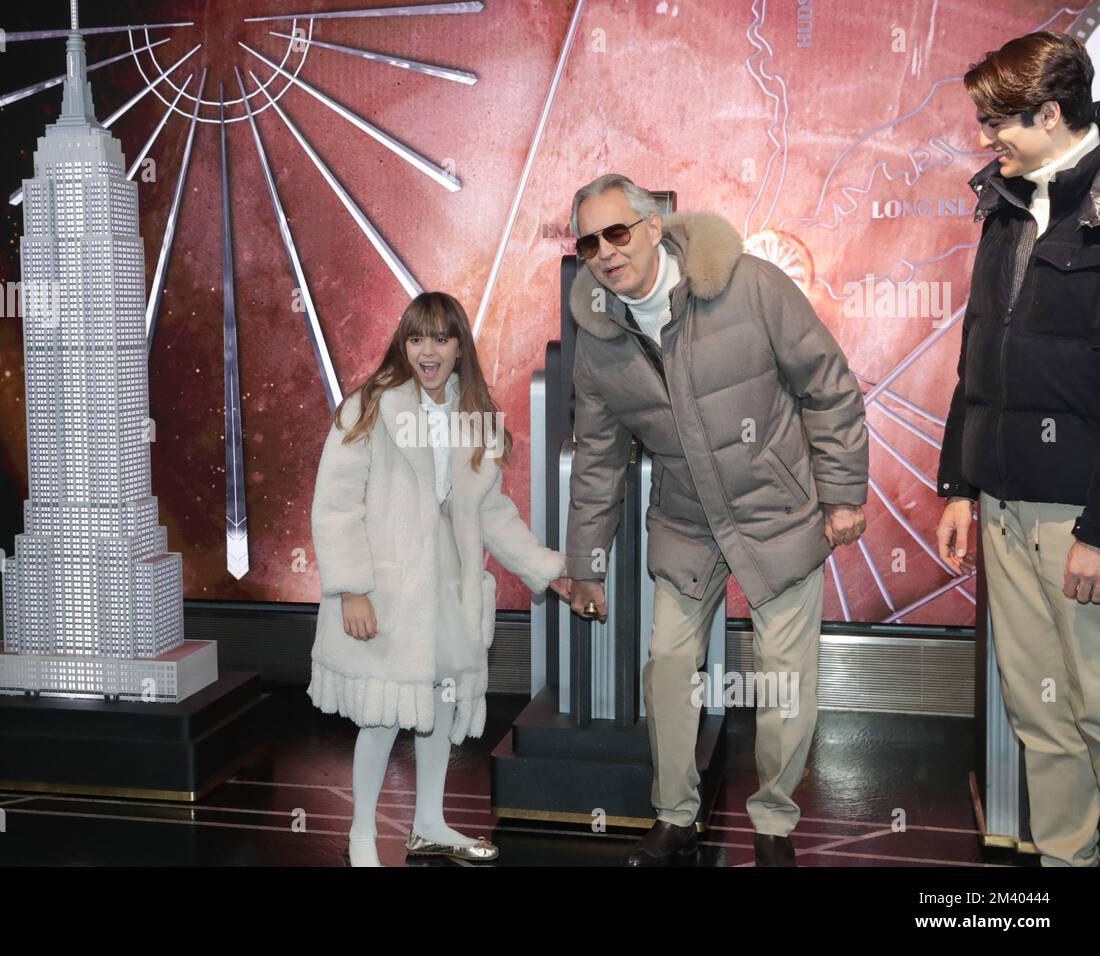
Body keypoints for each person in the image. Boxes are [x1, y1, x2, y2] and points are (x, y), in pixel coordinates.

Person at [564, 174, 868, 866]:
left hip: (777, 512)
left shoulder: (750, 285)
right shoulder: (599, 336)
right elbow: (598, 460)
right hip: (686, 522)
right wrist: (586, 566)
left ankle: (773, 827)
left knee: (785, 676)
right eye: (589, 242)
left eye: (617, 232)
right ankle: (675, 818)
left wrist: (844, 494)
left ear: (652, 228)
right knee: (669, 664)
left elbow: (828, 383)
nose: (606, 252)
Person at [309, 291, 568, 866]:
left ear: (458, 348)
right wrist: (352, 588)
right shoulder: (369, 408)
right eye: (416, 338)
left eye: (441, 338)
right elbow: (335, 506)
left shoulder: (473, 417)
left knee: (440, 709)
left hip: (449, 593)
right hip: (388, 593)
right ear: (404, 345)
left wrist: (549, 570)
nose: (428, 351)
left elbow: (492, 513)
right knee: (380, 716)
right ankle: (361, 837)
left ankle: (429, 823)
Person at [936, 31, 1100, 867]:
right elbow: (978, 354)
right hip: (1001, 505)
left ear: (1050, 111)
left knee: (1098, 705)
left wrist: (1099, 532)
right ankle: (1071, 860)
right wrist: (960, 486)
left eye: (998, 120)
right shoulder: (1005, 203)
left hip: (1079, 518)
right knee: (1040, 712)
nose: (985, 136)